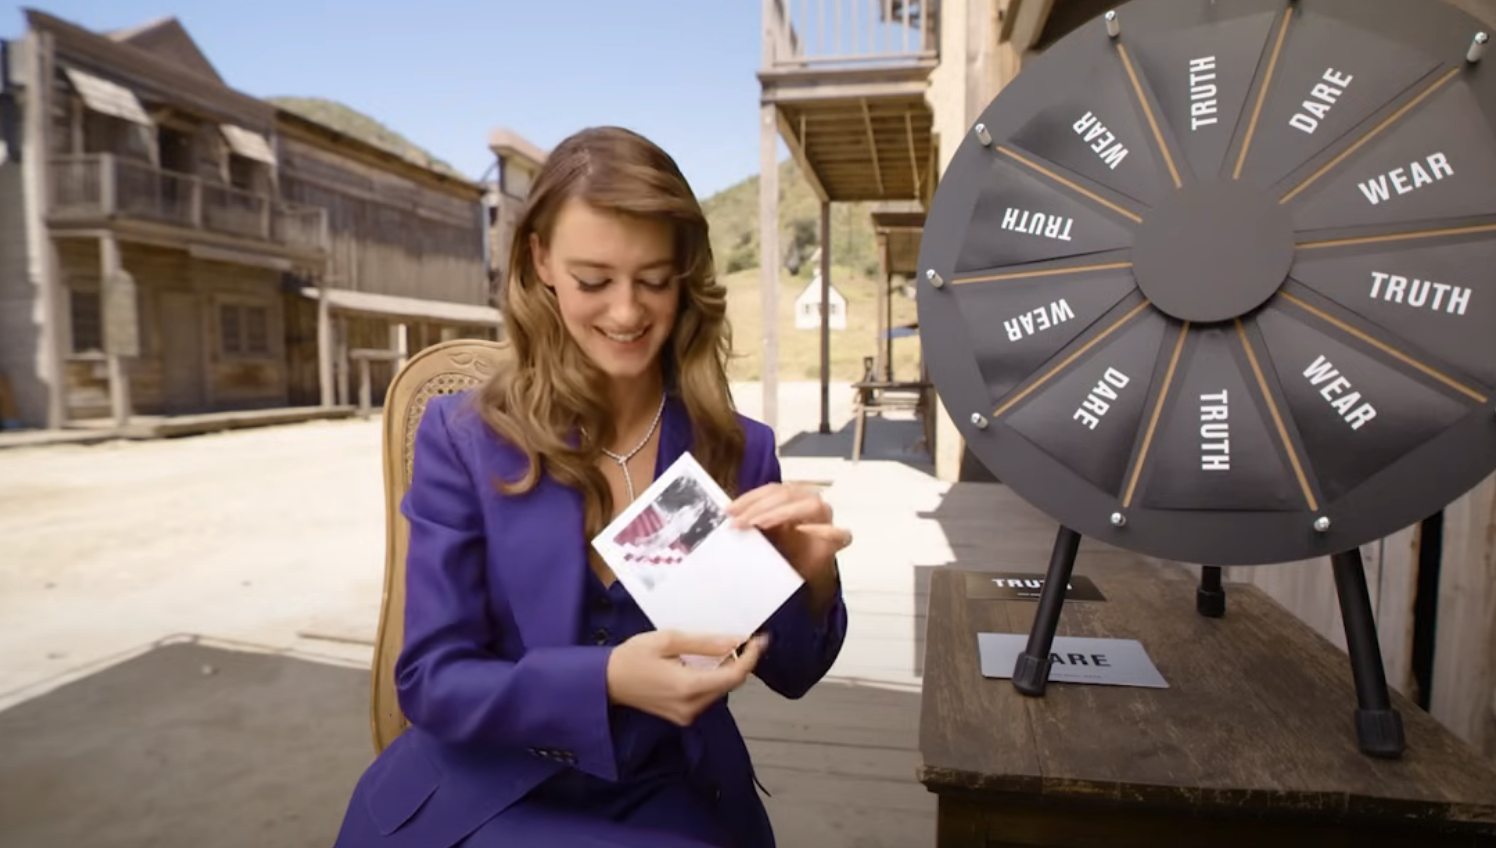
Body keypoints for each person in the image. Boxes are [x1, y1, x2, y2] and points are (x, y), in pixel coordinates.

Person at [332, 126, 851, 848]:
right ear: (540, 260)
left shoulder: (736, 447)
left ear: (685, 272)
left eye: (653, 279)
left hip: (671, 794)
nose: (627, 313)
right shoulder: (464, 437)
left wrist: (812, 581)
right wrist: (604, 680)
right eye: (593, 280)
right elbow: (429, 679)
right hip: (484, 793)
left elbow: (792, 672)